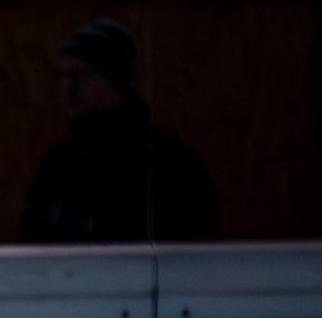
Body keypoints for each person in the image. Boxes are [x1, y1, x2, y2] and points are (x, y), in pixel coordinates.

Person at [19, 16, 221, 243]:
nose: (70, 87)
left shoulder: (166, 163)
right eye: (63, 76)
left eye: (84, 75)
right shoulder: (60, 164)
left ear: (115, 79)